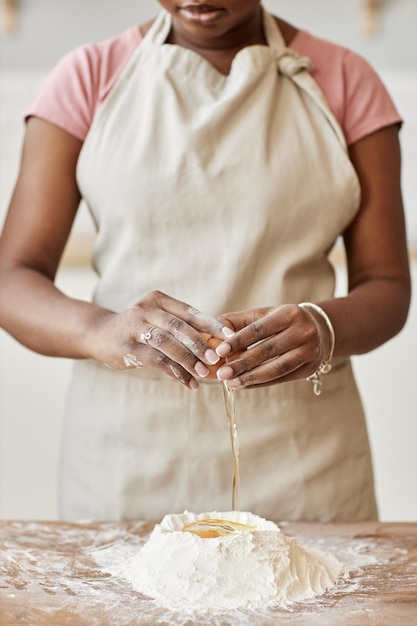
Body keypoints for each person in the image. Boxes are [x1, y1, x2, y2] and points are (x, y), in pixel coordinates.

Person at [0, 1, 411, 523]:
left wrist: (324, 328)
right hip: (125, 461)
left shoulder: (347, 80)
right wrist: (101, 330)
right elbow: (13, 277)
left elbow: (388, 283)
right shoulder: (88, 77)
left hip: (305, 462)